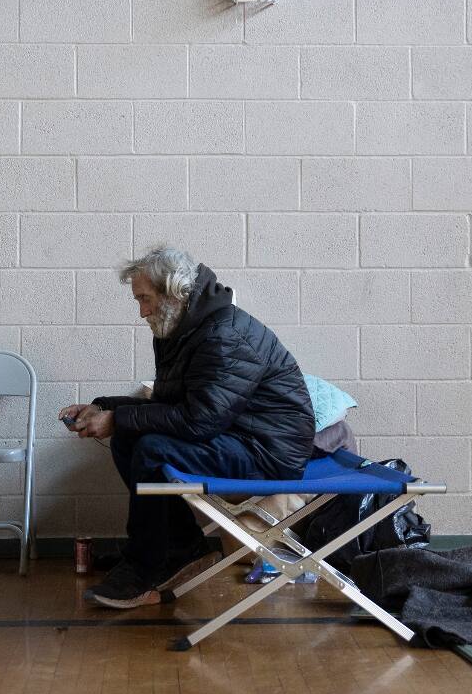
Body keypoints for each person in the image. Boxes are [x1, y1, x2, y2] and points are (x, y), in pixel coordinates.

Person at [59, 246, 315, 608]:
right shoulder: (181, 329)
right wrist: (104, 408)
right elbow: (171, 408)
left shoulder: (223, 336)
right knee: (131, 438)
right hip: (235, 435)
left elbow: (200, 419)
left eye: (145, 299)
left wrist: (116, 419)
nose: (142, 312)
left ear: (175, 292)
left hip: (268, 451)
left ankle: (153, 561)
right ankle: (176, 549)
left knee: (150, 448)